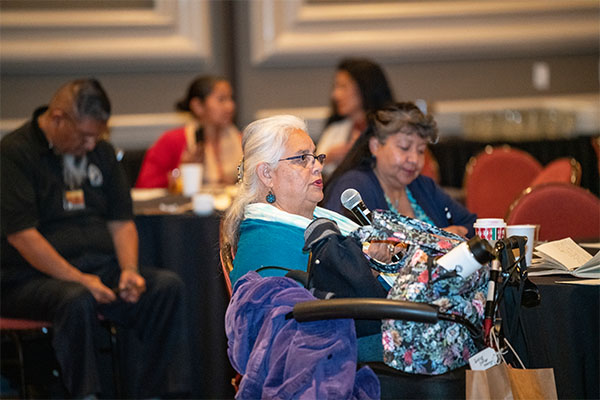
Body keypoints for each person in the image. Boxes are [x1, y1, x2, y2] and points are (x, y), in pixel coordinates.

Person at [0, 79, 190, 398]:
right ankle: (87, 395)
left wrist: (129, 270)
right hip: (27, 279)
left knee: (164, 288)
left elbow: (121, 221)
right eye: (84, 136)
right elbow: (23, 237)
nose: (90, 145)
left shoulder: (101, 153)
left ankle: (155, 393)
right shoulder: (14, 154)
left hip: (97, 270)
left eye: (96, 136)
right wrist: (80, 279)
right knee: (76, 299)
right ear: (58, 118)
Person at [222, 115, 360, 286]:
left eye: (315, 157)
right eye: (302, 159)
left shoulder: (300, 224)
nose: (318, 167)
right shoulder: (268, 245)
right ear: (266, 174)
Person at [323, 102, 477, 237]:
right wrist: (437, 239)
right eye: (404, 148)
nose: (414, 159)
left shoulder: (423, 186)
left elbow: (473, 225)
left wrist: (456, 231)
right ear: (375, 146)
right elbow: (343, 246)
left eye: (421, 150)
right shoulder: (354, 186)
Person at [135, 75, 242, 188]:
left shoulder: (240, 140)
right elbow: (144, 186)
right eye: (221, 100)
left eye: (231, 99)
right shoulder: (172, 141)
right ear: (198, 106)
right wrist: (182, 170)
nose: (230, 106)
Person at [317, 58, 395, 178]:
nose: (335, 95)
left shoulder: (393, 130)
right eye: (335, 87)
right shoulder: (334, 131)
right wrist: (329, 159)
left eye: (343, 86)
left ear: (365, 87)